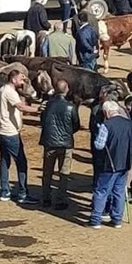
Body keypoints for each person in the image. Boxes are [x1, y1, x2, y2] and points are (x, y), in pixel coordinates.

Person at [0, 69, 40, 204]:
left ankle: (5, 191)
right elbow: (21, 107)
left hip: (0, 129)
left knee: (4, 159)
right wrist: (38, 109)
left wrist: (25, 82)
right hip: (9, 132)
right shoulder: (9, 92)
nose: (22, 82)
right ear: (13, 80)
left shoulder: (2, 89)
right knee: (21, 162)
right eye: (20, 79)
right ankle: (23, 193)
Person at [90, 100, 132, 229]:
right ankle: (117, 219)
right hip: (125, 163)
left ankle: (95, 219)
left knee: (101, 191)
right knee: (119, 191)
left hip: (109, 163)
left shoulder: (107, 125)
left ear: (106, 112)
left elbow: (99, 145)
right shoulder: (130, 124)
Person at [39, 79, 80, 210]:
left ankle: (46, 197)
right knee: (64, 173)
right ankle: (61, 199)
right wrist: (68, 133)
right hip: (65, 143)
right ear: (66, 89)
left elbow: (43, 122)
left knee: (47, 171)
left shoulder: (47, 105)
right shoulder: (71, 107)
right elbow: (76, 125)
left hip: (49, 142)